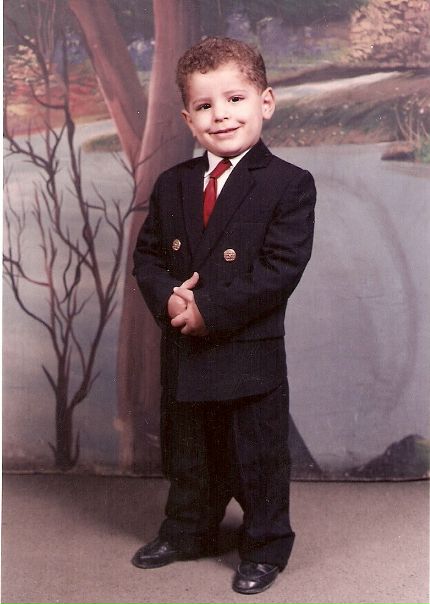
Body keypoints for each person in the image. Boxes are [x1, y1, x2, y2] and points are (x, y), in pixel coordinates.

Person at [131, 36, 316, 595]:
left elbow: (279, 270)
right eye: (205, 105)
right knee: (190, 452)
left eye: (235, 99)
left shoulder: (289, 184)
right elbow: (147, 256)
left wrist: (207, 310)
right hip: (186, 349)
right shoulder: (173, 184)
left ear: (266, 102)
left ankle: (265, 546)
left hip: (247, 354)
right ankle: (188, 530)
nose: (221, 115)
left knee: (258, 457)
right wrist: (169, 299)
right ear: (188, 119)